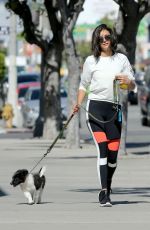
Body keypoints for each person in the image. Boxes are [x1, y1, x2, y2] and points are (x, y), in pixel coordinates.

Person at [73, 24, 136, 207]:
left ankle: (108, 186)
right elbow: (83, 85)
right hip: (95, 110)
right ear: (96, 41)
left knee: (113, 156)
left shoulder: (121, 59)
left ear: (111, 37)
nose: (105, 41)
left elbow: (132, 85)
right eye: (101, 38)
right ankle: (103, 193)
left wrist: (128, 82)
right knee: (102, 149)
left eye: (107, 36)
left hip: (114, 111)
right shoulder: (91, 61)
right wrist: (78, 104)